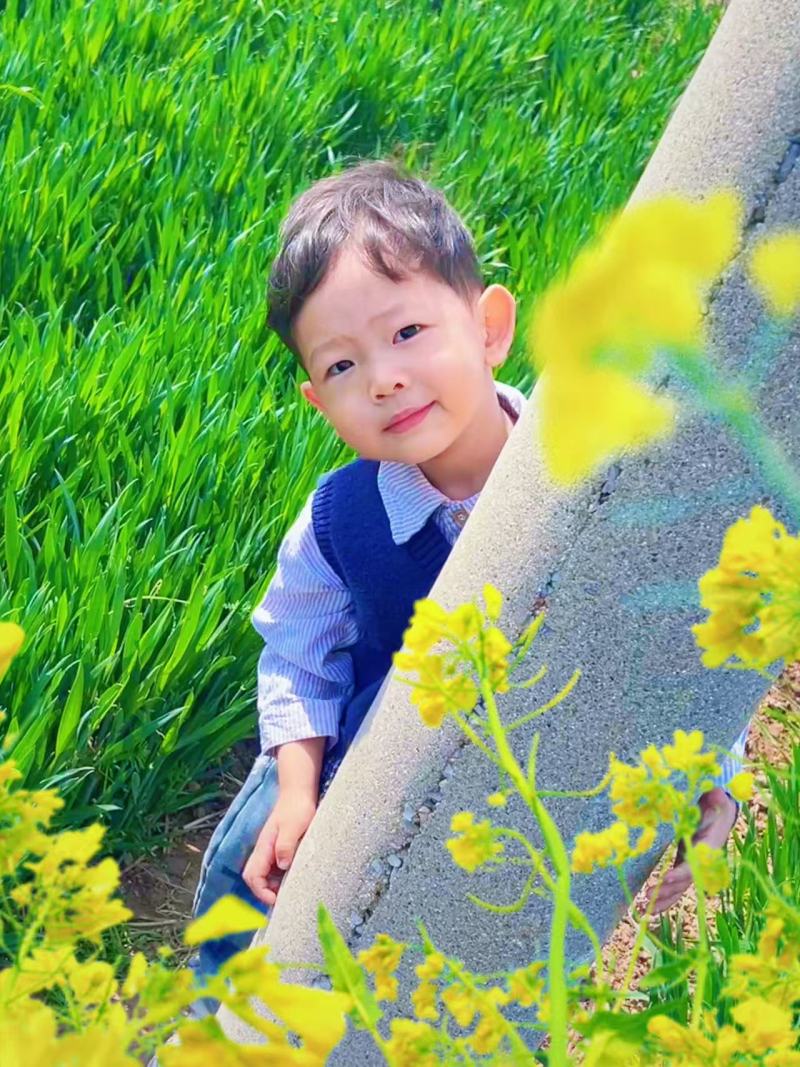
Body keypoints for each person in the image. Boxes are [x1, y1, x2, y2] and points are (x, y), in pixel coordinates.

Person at [189, 158, 523, 1006]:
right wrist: (299, 786)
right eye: (342, 367)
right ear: (318, 401)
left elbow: (656, 628)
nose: (382, 379)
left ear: (489, 327)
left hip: (508, 794)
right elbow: (298, 653)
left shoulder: (582, 477)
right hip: (351, 758)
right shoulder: (343, 518)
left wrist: (708, 778)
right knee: (255, 884)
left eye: (408, 332)